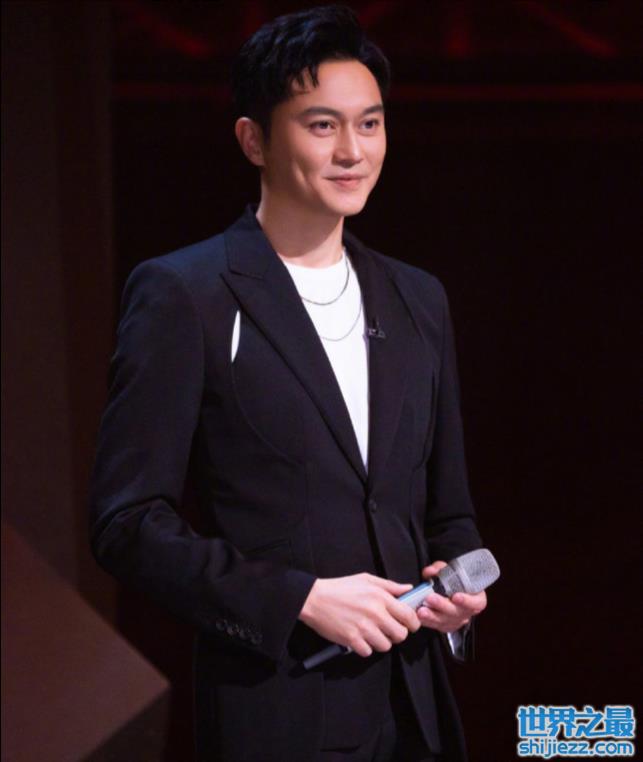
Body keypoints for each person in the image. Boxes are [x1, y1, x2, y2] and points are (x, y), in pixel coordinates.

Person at [89, 5, 488, 761]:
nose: (352, 151)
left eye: (369, 124)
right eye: (321, 125)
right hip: (280, 712)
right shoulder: (187, 293)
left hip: (415, 714)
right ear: (253, 140)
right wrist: (297, 598)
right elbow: (127, 523)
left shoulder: (417, 298)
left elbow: (449, 511)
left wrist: (457, 586)